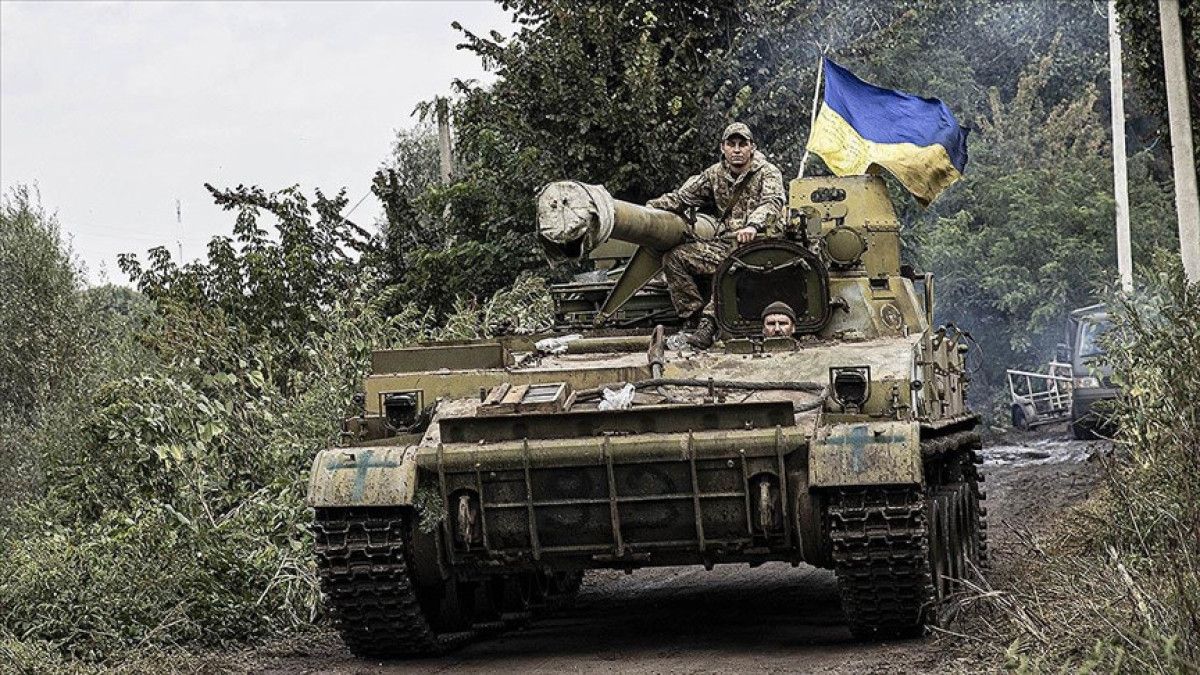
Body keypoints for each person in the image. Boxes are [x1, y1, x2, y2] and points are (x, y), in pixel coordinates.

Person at [646, 122, 785, 348]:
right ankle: (692, 318)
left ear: (752, 147)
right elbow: (682, 198)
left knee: (728, 269)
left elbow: (773, 202)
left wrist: (753, 226)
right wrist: (649, 208)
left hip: (762, 247)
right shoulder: (714, 174)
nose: (737, 150)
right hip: (728, 244)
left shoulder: (767, 172)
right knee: (675, 258)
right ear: (723, 147)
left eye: (742, 144)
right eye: (731, 144)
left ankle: (708, 326)